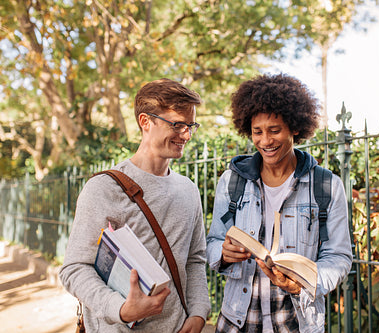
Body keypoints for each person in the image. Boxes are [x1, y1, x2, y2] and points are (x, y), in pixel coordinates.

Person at [60, 78, 211, 332]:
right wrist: (120, 309)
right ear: (145, 121)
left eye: (190, 125)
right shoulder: (103, 189)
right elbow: (74, 269)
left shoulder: (189, 190)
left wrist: (198, 313)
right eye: (177, 124)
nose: (186, 134)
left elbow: (195, 260)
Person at [206, 73, 353, 332]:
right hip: (237, 321)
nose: (265, 141)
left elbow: (338, 256)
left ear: (295, 128)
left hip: (297, 322)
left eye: (275, 131)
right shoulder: (231, 181)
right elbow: (213, 242)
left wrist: (306, 283)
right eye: (257, 132)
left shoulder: (326, 186)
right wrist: (223, 254)